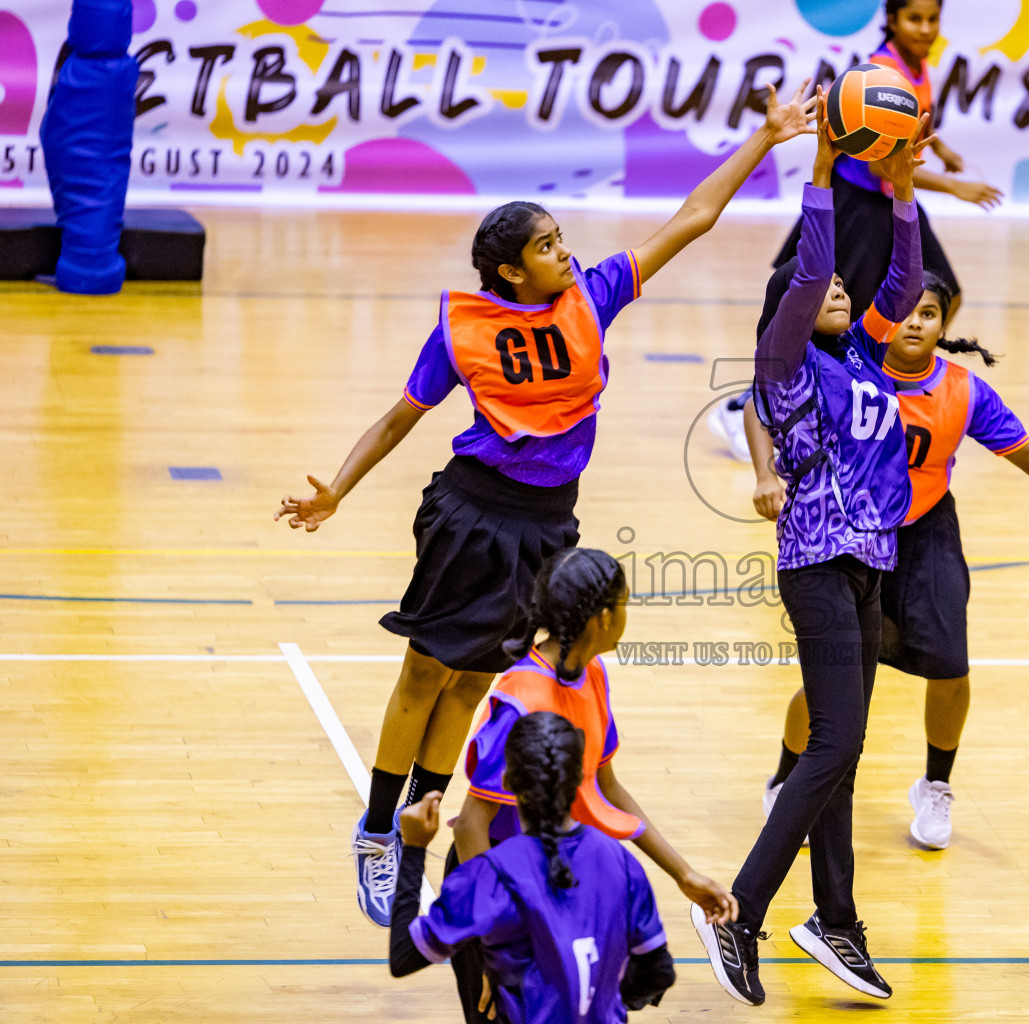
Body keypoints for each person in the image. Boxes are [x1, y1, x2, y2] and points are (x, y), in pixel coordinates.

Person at [273, 83, 816, 927]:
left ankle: (422, 811)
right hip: (471, 511)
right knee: (426, 670)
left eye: (563, 239)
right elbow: (398, 418)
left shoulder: (592, 296)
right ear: (507, 270)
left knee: (475, 683)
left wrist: (766, 138)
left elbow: (692, 218)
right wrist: (335, 492)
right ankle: (378, 832)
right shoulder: (463, 328)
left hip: (547, 522)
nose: (566, 252)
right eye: (547, 246)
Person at [692, 89, 926, 1007]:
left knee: (844, 749)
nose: (837, 290)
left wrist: (903, 193)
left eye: (840, 290)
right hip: (818, 562)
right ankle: (740, 916)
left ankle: (838, 922)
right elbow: (809, 271)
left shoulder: (864, 357)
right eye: (823, 288)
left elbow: (903, 290)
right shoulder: (786, 361)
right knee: (833, 744)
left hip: (868, 566)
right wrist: (825, 167)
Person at [745, 272, 1029, 851]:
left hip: (927, 532)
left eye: (931, 314)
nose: (916, 322)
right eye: (908, 310)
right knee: (836, 688)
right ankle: (786, 779)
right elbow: (760, 404)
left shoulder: (962, 390)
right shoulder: (849, 364)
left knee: (950, 663)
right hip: (854, 534)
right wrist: (764, 474)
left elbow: (1022, 449)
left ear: (945, 326)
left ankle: (935, 785)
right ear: (887, 315)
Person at [446, 548, 735, 1023]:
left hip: (560, 879)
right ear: (602, 618)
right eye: (624, 604)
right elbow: (470, 827)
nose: (626, 614)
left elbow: (606, 788)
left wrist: (682, 873)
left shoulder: (592, 674)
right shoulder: (521, 699)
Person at [710, 0, 1001, 463]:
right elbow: (888, 163)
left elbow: (911, 124)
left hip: (887, 199)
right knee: (823, 319)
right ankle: (748, 406)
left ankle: (875, 400)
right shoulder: (882, 70)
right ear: (890, 20)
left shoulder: (917, 64)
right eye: (914, 19)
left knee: (937, 297)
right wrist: (953, 185)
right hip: (858, 204)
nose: (924, 28)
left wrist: (940, 148)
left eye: (932, 19)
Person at [389, 711, 678, 1024]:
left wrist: (414, 847)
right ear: (581, 778)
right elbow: (658, 973)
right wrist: (603, 1000)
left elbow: (403, 956)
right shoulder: (621, 862)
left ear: (506, 782)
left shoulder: (493, 873)